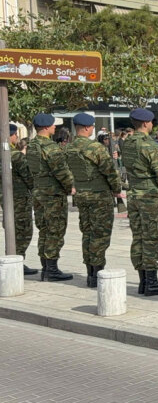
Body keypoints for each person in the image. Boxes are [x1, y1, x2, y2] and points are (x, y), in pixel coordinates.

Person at [121, 108, 158, 296]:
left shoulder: (126, 143)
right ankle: (152, 281)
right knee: (152, 238)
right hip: (149, 196)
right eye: (151, 122)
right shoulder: (150, 146)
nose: (152, 125)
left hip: (134, 195)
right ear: (145, 123)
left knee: (138, 237)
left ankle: (143, 280)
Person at [65, 113, 122, 288]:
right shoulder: (95, 148)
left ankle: (90, 272)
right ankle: (97, 272)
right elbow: (110, 171)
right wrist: (117, 189)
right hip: (99, 196)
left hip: (82, 195)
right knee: (100, 235)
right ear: (88, 127)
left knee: (87, 233)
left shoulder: (69, 148)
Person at [27, 113, 75, 282]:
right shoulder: (50, 147)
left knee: (44, 230)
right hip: (53, 195)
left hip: (38, 192)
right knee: (55, 230)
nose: (55, 128)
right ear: (46, 127)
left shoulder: (31, 146)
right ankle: (52, 270)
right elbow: (61, 171)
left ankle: (45, 267)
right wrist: (71, 187)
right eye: (54, 125)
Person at [5, 124, 36, 275]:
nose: (16, 137)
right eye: (15, 134)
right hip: (20, 198)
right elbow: (29, 177)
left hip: (4, 198)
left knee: (10, 229)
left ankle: (12, 259)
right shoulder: (15, 155)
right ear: (9, 135)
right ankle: (17, 261)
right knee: (24, 231)